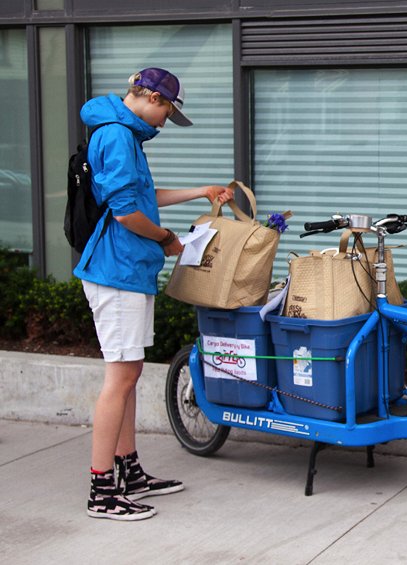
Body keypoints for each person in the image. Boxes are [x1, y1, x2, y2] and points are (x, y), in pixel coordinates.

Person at [74, 67, 234, 521]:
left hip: (128, 270)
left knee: (129, 373)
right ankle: (101, 490)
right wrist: (167, 240)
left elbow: (142, 197)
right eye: (165, 111)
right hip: (116, 271)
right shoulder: (117, 137)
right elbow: (127, 214)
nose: (164, 122)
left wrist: (199, 191)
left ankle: (129, 470)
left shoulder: (125, 135)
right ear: (148, 98)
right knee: (119, 380)